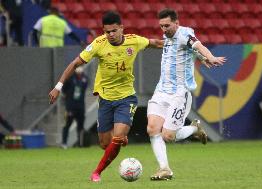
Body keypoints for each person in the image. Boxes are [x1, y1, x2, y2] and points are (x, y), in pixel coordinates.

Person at [48, 11, 164, 182]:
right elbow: (74, 64)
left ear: (121, 28)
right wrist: (58, 86)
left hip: (127, 98)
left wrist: (177, 44)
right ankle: (120, 140)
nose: (110, 35)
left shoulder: (134, 40)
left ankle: (97, 172)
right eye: (107, 31)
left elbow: (154, 43)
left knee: (117, 138)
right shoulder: (98, 44)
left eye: (114, 31)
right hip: (105, 99)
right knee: (104, 143)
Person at [147, 8, 226, 181]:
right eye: (161, 26)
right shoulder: (168, 38)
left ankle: (193, 129)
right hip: (161, 90)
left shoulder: (185, 34)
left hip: (179, 93)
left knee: (168, 136)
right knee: (152, 128)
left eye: (167, 25)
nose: (164, 29)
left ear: (176, 23)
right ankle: (164, 169)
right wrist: (199, 57)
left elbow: (197, 45)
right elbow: (189, 51)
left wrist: (210, 56)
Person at [61, 66, 88, 149]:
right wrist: (67, 100)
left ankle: (80, 143)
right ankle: (64, 143)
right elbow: (64, 89)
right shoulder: (70, 78)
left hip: (80, 106)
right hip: (70, 106)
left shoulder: (85, 78)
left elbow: (84, 88)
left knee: (80, 126)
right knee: (67, 125)